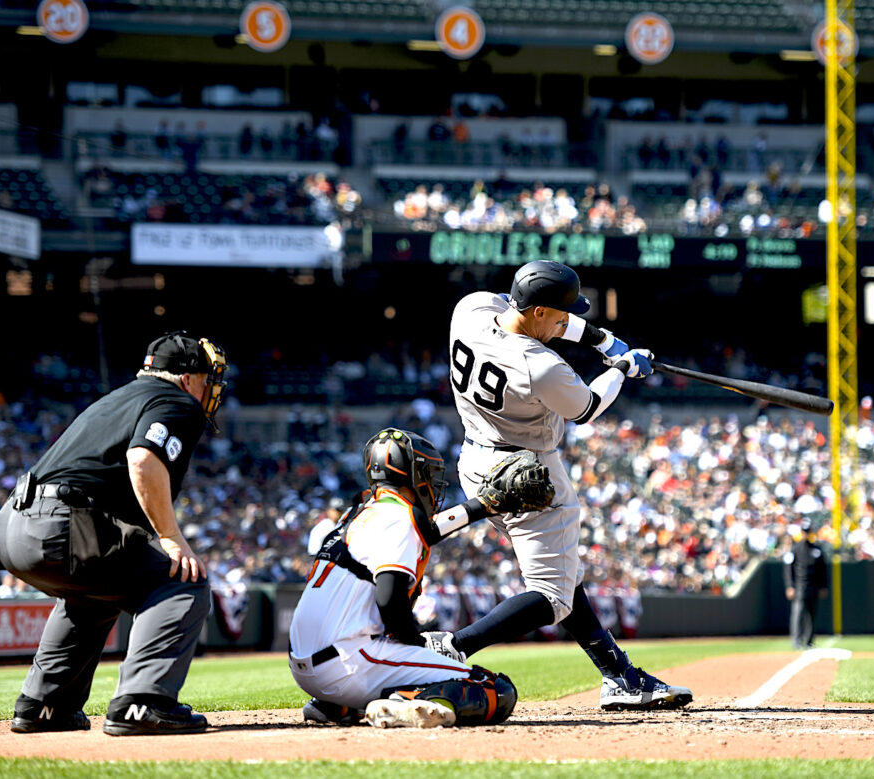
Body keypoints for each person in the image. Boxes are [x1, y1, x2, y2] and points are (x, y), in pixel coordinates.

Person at [427, 260, 693, 711]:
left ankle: (620, 676)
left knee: (564, 576)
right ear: (537, 312)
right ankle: (453, 646)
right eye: (559, 314)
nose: (568, 321)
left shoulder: (469, 309)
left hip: (475, 459)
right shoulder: (541, 366)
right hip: (530, 476)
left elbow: (550, 322)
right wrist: (624, 367)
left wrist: (603, 340)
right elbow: (587, 408)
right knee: (552, 595)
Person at [0, 331, 230, 736]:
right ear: (187, 378)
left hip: (14, 523)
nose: (210, 389)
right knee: (184, 581)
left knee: (95, 595)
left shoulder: (118, 398)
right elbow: (143, 458)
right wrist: (171, 537)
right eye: (207, 379)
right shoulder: (177, 401)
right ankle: (142, 703)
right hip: (60, 522)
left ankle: (45, 706)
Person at [289, 428, 520, 729]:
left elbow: (429, 531)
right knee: (493, 690)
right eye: (429, 473)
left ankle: (341, 706)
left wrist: (482, 505)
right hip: (351, 663)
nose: (433, 484)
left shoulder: (359, 514)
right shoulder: (399, 517)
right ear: (412, 474)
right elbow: (389, 598)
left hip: (309, 669)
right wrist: (415, 644)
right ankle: (398, 701)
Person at [783, 518, 830, 650]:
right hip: (799, 586)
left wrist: (823, 586)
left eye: (808, 531)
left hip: (814, 586)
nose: (806, 534)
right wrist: (789, 586)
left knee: (812, 614)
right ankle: (796, 641)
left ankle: (809, 640)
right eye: (804, 531)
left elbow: (823, 570)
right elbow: (788, 569)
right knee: (798, 613)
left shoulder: (817, 550)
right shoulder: (795, 549)